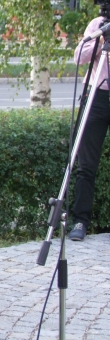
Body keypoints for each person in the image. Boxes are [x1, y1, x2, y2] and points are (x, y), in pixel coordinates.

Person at [69, 16, 110, 241]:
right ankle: (80, 221)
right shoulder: (99, 23)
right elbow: (79, 57)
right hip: (97, 95)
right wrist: (101, 39)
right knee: (86, 165)